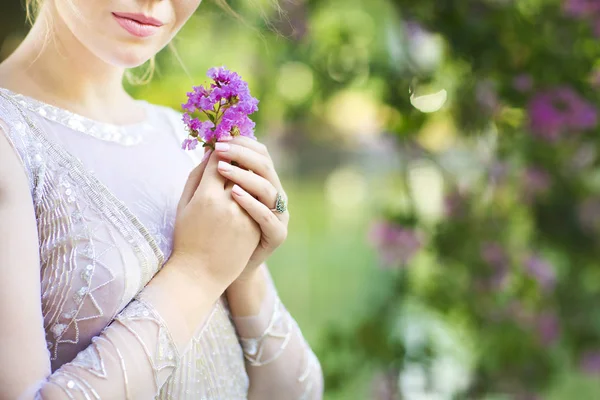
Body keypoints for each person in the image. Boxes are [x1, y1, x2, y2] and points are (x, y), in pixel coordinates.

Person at [0, 0, 323, 399]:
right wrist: (197, 273)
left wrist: (243, 273)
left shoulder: (182, 138)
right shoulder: (9, 142)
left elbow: (296, 392)